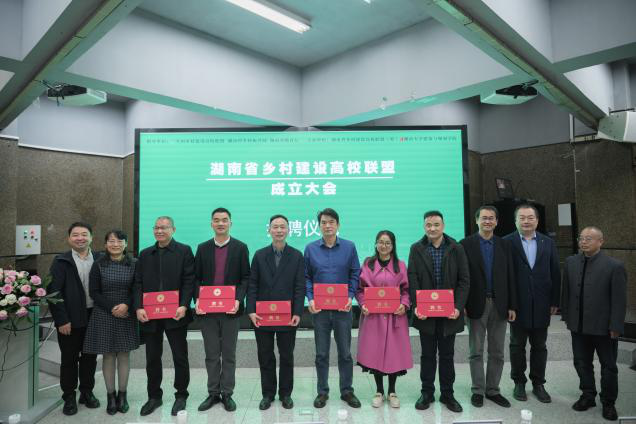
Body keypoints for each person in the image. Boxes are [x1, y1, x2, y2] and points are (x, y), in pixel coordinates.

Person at [561, 226, 627, 421]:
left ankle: (608, 403)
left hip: (604, 327)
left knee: (609, 366)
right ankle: (587, 395)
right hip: (578, 325)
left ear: (601, 242)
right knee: (581, 362)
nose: (583, 242)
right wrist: (567, 317)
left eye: (589, 238)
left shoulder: (614, 266)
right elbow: (566, 291)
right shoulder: (571, 262)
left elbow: (619, 300)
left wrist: (616, 326)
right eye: (581, 238)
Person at [408, 210, 469, 413]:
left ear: (443, 226)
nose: (432, 228)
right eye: (428, 225)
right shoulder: (416, 248)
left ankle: (447, 394)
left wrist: (458, 307)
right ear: (424, 226)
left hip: (449, 313)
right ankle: (426, 393)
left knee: (447, 355)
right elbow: (413, 279)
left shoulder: (456, 248)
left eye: (436, 224)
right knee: (427, 355)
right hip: (425, 313)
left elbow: (464, 280)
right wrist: (417, 306)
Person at [133, 216, 195, 416]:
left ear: (173, 230)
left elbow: (189, 280)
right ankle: (154, 396)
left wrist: (184, 305)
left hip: (176, 313)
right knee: (152, 357)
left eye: (164, 228)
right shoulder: (145, 254)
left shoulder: (184, 251)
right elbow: (138, 282)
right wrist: (138, 307)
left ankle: (181, 395)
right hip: (150, 314)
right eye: (156, 228)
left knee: (180, 356)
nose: (159, 231)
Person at [246, 214, 305, 411]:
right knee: (265, 356)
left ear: (288, 230)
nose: (279, 230)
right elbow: (252, 285)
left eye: (282, 227)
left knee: (286, 356)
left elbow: (299, 286)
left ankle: (286, 394)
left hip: (287, 316)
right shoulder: (259, 255)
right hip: (262, 315)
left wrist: (298, 311)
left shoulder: (296, 255)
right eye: (275, 227)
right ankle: (268, 394)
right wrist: (251, 310)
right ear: (269, 230)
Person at [194, 207, 250, 412]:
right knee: (211, 354)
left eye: (224, 220)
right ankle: (213, 393)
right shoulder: (202, 248)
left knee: (228, 354)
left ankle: (227, 393)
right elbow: (196, 278)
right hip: (208, 312)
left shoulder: (240, 247)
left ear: (230, 223)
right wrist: (197, 299)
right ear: (211, 224)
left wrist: (238, 300)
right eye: (216, 220)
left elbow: (245, 277)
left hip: (230, 311)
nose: (220, 223)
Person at [460, 206, 517, 408]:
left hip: (500, 305)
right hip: (475, 304)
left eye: (491, 218)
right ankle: (478, 390)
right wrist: (461, 304)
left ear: (496, 222)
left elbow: (511, 276)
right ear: (476, 220)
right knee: (476, 351)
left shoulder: (505, 245)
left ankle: (493, 390)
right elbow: (462, 277)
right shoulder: (465, 244)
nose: (487, 221)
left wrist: (512, 305)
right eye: (483, 218)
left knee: (497, 352)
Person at [305, 208, 362, 409]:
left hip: (343, 310)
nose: (327, 225)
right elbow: (306, 277)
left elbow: (355, 273)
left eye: (331, 222)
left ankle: (347, 391)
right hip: (320, 311)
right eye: (323, 222)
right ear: (319, 226)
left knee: (345, 353)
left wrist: (350, 296)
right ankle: (322, 392)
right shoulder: (310, 249)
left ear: (338, 225)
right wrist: (310, 298)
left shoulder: (349, 247)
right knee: (321, 353)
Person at [504, 204, 560, 403]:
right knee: (517, 345)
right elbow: (504, 276)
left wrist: (555, 300)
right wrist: (509, 304)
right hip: (517, 305)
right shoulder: (506, 242)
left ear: (537, 220)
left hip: (542, 304)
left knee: (540, 346)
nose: (526, 221)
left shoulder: (548, 242)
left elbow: (555, 272)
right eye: (522, 218)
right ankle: (519, 382)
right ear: (515, 221)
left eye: (530, 217)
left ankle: (538, 383)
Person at [83, 230, 140, 415]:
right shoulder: (98, 264)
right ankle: (111, 396)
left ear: (126, 244)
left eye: (120, 241)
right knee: (108, 355)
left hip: (127, 312)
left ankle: (122, 395)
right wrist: (112, 308)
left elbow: (137, 288)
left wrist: (127, 305)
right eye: (111, 241)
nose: (116, 244)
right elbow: (94, 291)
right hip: (104, 312)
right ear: (105, 244)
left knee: (124, 355)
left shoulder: (134, 263)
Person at [48, 222, 102, 415]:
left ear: (91, 237)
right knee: (69, 359)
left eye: (84, 234)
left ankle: (86, 392)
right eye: (76, 235)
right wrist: (61, 320)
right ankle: (69, 396)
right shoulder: (61, 261)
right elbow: (53, 292)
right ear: (69, 238)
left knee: (90, 358)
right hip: (70, 318)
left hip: (94, 316)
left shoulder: (100, 258)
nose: (80, 238)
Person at [356, 230, 412, 408]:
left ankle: (392, 391)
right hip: (373, 317)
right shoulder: (368, 264)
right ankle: (379, 391)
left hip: (395, 317)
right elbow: (359, 289)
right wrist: (363, 303)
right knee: (376, 352)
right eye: (380, 242)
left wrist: (404, 304)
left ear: (393, 246)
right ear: (375, 244)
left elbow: (407, 291)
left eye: (388, 243)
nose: (384, 246)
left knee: (394, 354)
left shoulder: (400, 265)